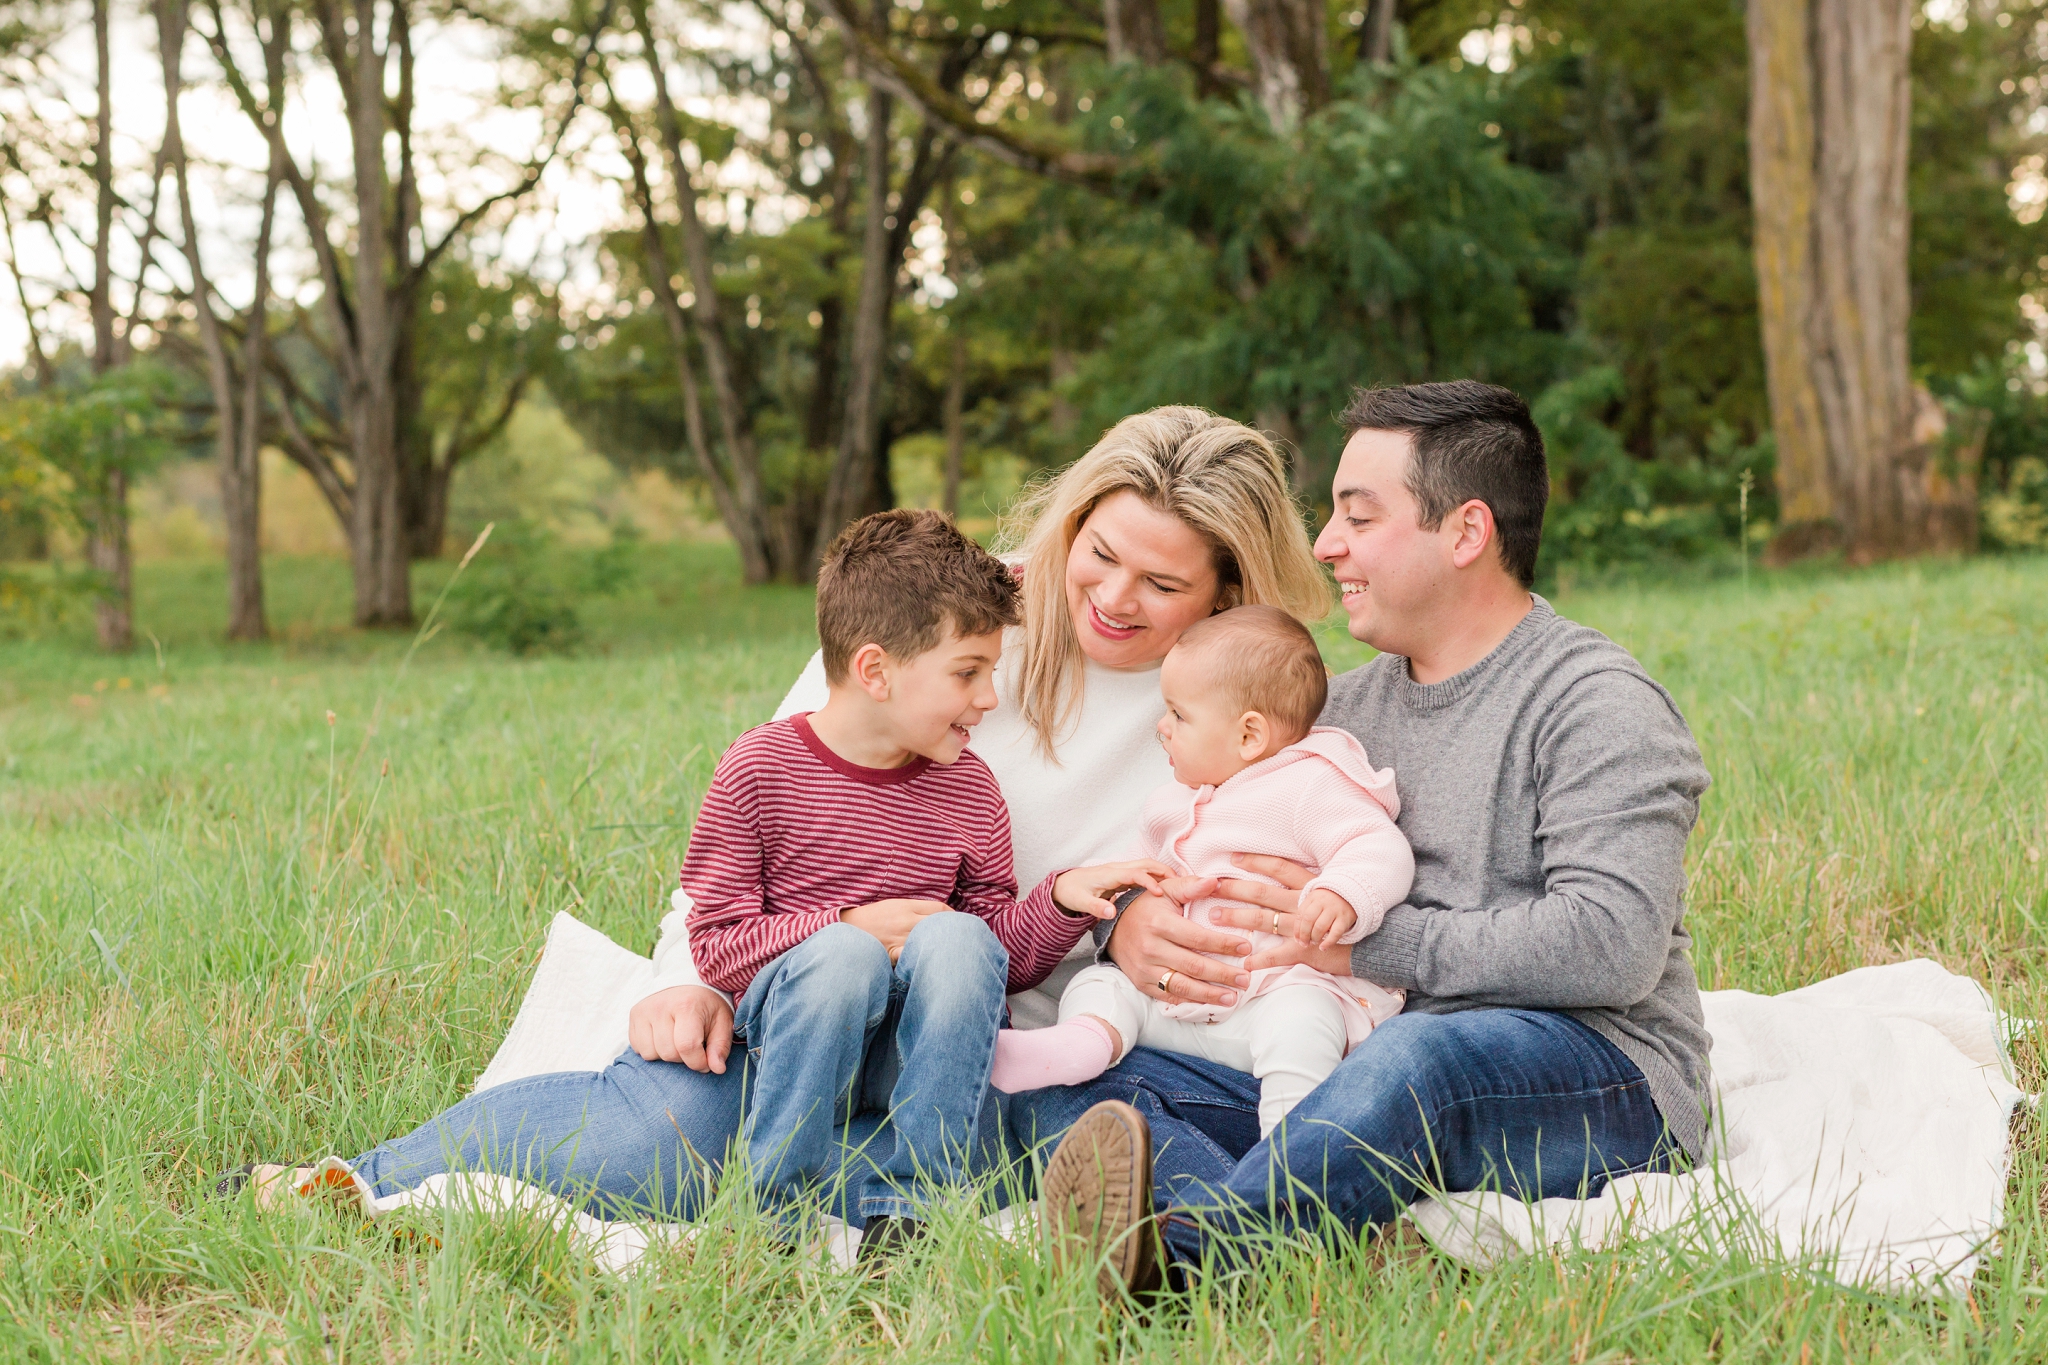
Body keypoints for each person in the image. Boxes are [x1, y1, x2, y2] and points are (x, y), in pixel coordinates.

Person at [219, 406, 1330, 1231]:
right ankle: (360, 1178)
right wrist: (682, 978)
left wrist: (1117, 927)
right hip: (812, 991)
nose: (1112, 598)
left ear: (1227, 596)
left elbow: (1215, 874)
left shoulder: (1229, 703)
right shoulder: (943, 616)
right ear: (1072, 519)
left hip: (1000, 1035)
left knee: (1061, 1140)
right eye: (1098, 552)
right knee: (661, 1140)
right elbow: (757, 821)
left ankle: (899, 1198)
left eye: (1162, 585)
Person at [1026, 380, 1714, 1300]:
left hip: (1596, 1074)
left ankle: (1191, 1266)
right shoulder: (1332, 713)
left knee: (1421, 1059)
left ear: (1466, 532)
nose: (1324, 544)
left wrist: (1360, 943)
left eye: (1358, 515)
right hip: (1359, 1060)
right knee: (1093, 1071)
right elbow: (1211, 847)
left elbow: (1610, 946)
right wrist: (1138, 923)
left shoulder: (1594, 704)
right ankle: (1200, 1224)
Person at [679, 509, 1164, 1254]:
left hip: (927, 1055)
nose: (989, 699)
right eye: (968, 672)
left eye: (990, 673)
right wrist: (845, 928)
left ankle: (914, 1213)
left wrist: (1064, 897)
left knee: (959, 936)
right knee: (845, 957)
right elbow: (718, 945)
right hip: (799, 1043)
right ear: (874, 669)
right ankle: (767, 1218)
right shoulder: (760, 769)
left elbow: (998, 952)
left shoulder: (970, 789)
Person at [987, 605, 1412, 1139]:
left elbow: (1377, 846)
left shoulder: (1309, 784)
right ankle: (1082, 1042)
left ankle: (1290, 1152)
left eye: (1178, 715)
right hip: (1185, 1005)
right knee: (1100, 982)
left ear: (1249, 736)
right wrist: (1146, 896)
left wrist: (1342, 894)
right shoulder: (1171, 804)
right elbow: (1142, 884)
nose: (1161, 729)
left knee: (1303, 1021)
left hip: (1275, 994)